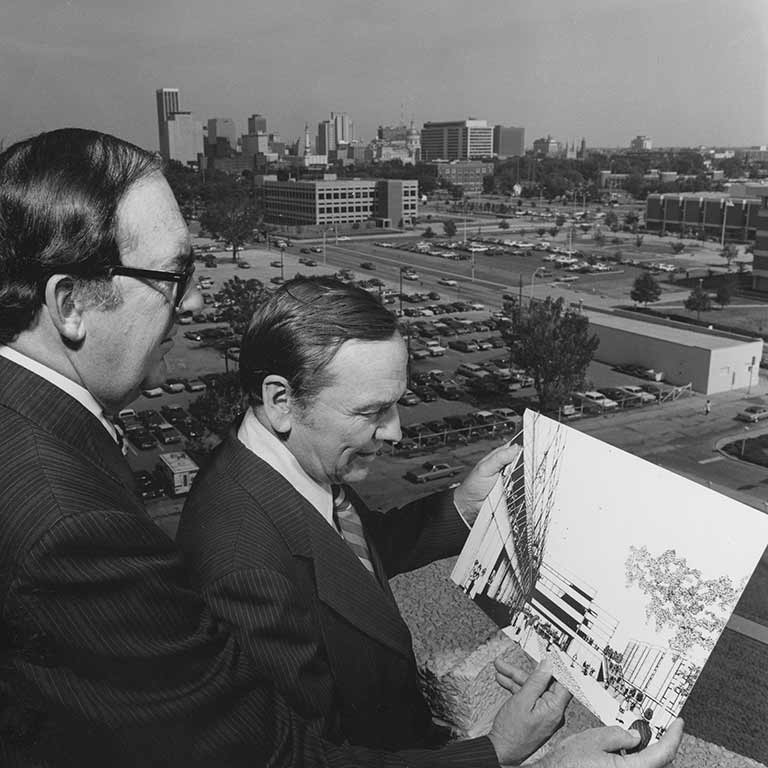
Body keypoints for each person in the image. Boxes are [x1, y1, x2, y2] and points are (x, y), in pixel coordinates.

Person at [0, 128, 683, 768]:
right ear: (69, 304)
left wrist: (462, 506)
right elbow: (283, 755)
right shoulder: (94, 528)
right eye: (172, 276)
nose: (195, 296)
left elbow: (342, 554)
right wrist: (507, 756)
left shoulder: (266, 462)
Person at [177, 276, 683, 763]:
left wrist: (461, 506)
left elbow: (348, 562)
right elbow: (305, 760)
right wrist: (495, 751)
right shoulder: (242, 564)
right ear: (281, 400)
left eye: (396, 404)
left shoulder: (287, 462)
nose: (395, 431)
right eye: (373, 411)